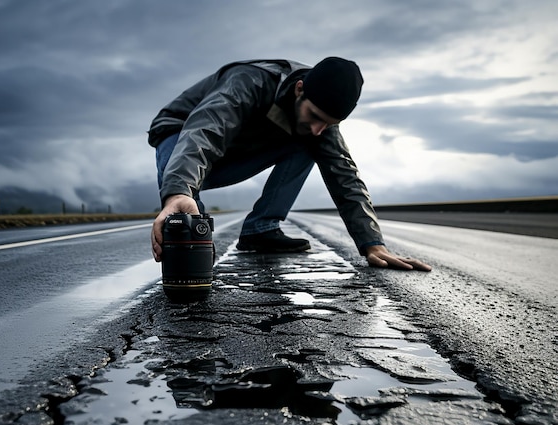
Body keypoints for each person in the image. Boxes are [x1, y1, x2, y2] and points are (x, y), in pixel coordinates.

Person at [148, 57, 431, 271]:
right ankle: (185, 207)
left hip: (229, 153)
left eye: (329, 124)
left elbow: (345, 175)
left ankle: (261, 229)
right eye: (316, 116)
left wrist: (373, 243)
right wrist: (178, 193)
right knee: (189, 249)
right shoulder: (250, 81)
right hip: (180, 136)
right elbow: (204, 133)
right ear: (299, 89)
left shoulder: (319, 126)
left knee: (310, 143)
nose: (320, 128)